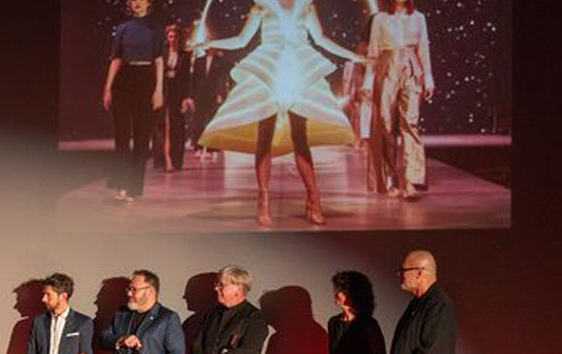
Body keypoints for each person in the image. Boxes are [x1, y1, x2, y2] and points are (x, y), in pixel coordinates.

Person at [194, 0, 364, 226]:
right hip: (268, 70)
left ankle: (314, 198)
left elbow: (321, 39)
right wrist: (210, 43)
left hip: (299, 72)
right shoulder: (262, 6)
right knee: (264, 135)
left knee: (300, 136)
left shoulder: (306, 5)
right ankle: (263, 200)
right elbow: (242, 40)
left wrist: (355, 56)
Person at [368, 0, 435, 200]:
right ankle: (391, 178)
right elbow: (373, 52)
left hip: (412, 68)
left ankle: (411, 181)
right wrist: (367, 81)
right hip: (386, 69)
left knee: (410, 123)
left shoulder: (419, 18)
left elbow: (424, 48)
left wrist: (428, 78)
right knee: (385, 124)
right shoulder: (380, 19)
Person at [103, 0, 165, 203]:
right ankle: (120, 185)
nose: (136, 2)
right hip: (124, 79)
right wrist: (107, 88)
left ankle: (133, 188)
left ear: (148, 3)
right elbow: (116, 59)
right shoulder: (123, 28)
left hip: (146, 79)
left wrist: (158, 90)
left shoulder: (155, 28)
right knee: (121, 135)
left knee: (141, 136)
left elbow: (159, 61)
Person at [154, 23, 193, 172]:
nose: (173, 39)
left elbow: (187, 78)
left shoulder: (185, 55)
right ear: (167, 38)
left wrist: (186, 97)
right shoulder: (161, 54)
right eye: (170, 36)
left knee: (177, 126)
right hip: (163, 91)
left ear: (179, 38)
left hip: (177, 92)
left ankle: (175, 161)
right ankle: (162, 161)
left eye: (175, 37)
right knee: (161, 126)